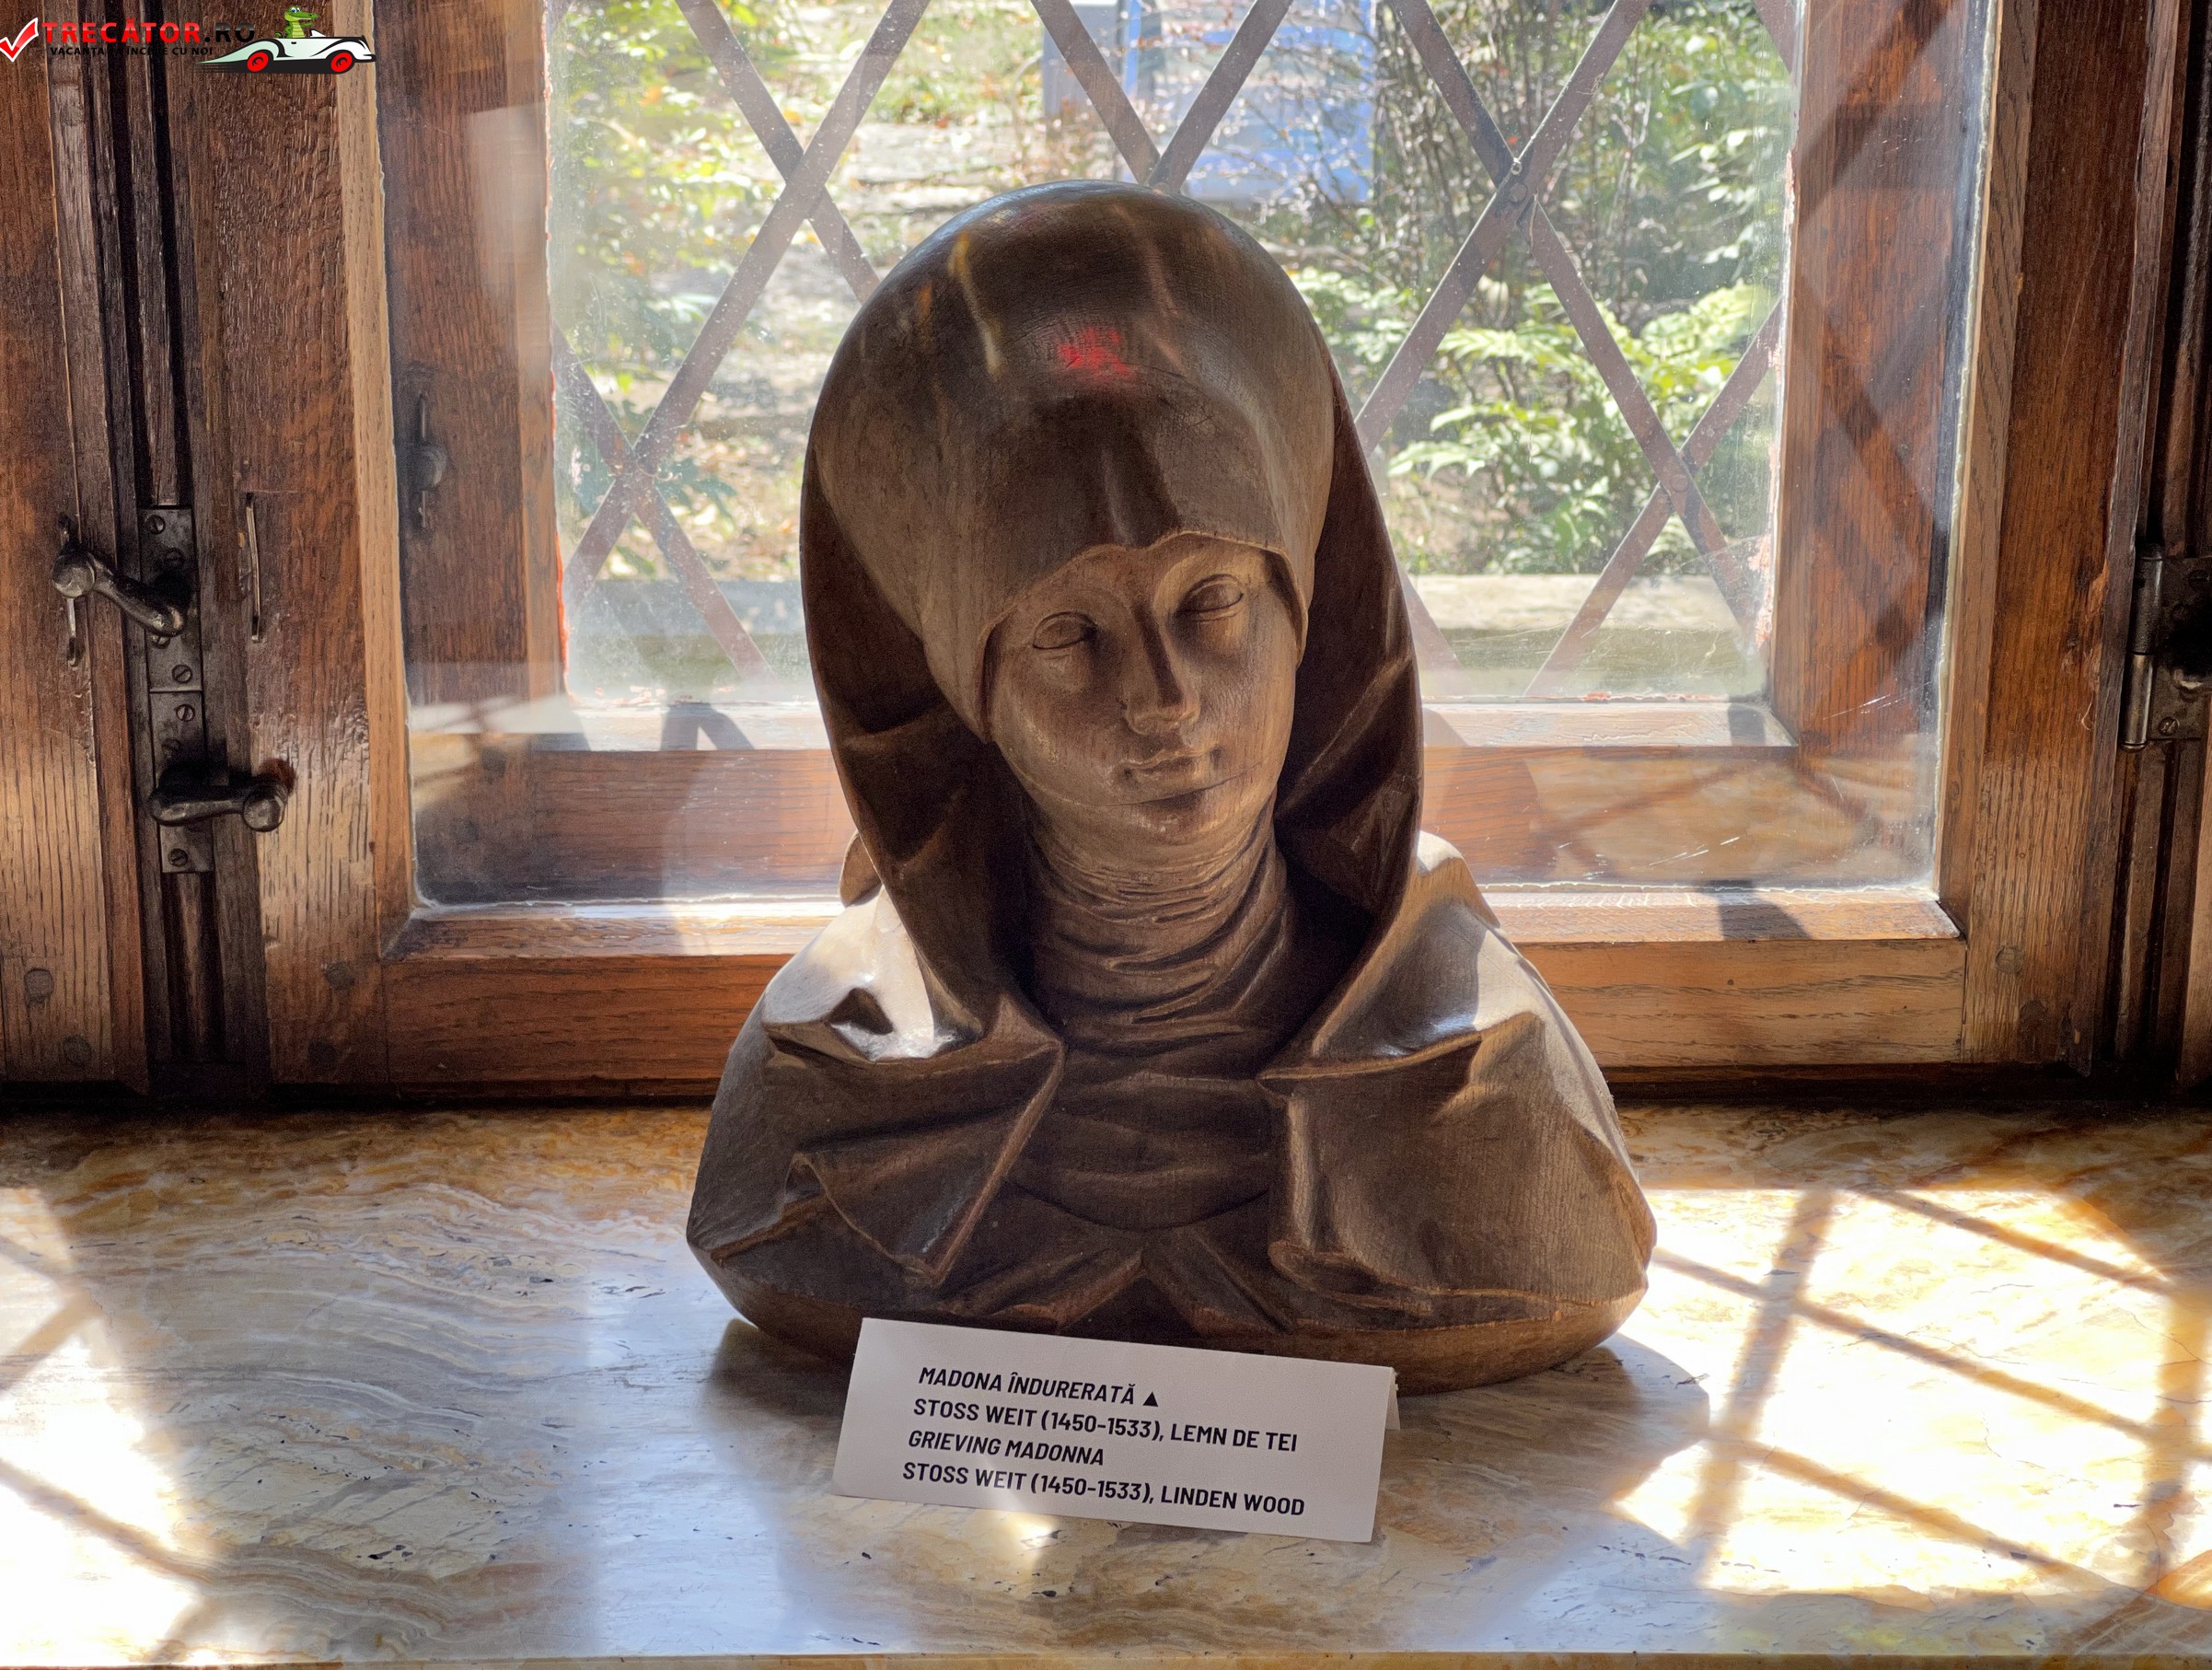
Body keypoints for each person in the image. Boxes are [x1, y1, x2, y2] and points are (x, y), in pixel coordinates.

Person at [687, 180, 1653, 1393]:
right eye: (1067, 636)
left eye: (1213, 602)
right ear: (971, 699)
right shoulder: (829, 1095)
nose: (1163, 699)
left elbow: (1566, 1268)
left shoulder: (1477, 1078)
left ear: (1306, 623)